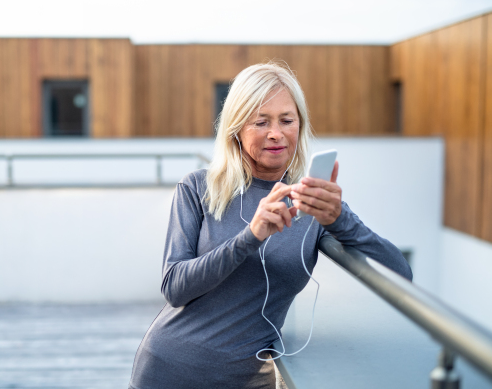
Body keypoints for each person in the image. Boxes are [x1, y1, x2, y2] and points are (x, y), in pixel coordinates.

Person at [128, 62, 412, 389]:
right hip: (168, 372)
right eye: (261, 121)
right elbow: (174, 287)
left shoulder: (312, 204)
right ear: (236, 129)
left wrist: (340, 220)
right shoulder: (198, 187)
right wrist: (251, 236)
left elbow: (400, 273)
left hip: (249, 382)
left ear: (300, 126)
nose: (275, 133)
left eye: (286, 120)